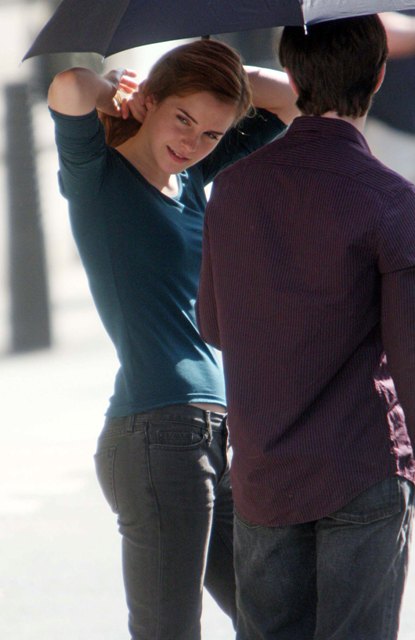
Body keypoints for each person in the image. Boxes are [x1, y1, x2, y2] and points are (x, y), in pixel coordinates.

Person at [47, 39, 297, 640]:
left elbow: (292, 97)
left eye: (212, 134)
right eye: (183, 119)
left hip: (213, 431)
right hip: (159, 432)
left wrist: (224, 71)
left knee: (280, 621)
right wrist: (116, 94)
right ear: (151, 102)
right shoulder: (99, 177)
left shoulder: (190, 179)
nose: (192, 143)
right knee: (170, 630)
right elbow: (70, 87)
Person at [197, 16, 415, 640]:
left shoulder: (232, 188)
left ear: (291, 78)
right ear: (379, 77)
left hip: (264, 471)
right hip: (361, 464)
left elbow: (213, 324)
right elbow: (409, 356)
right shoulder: (393, 200)